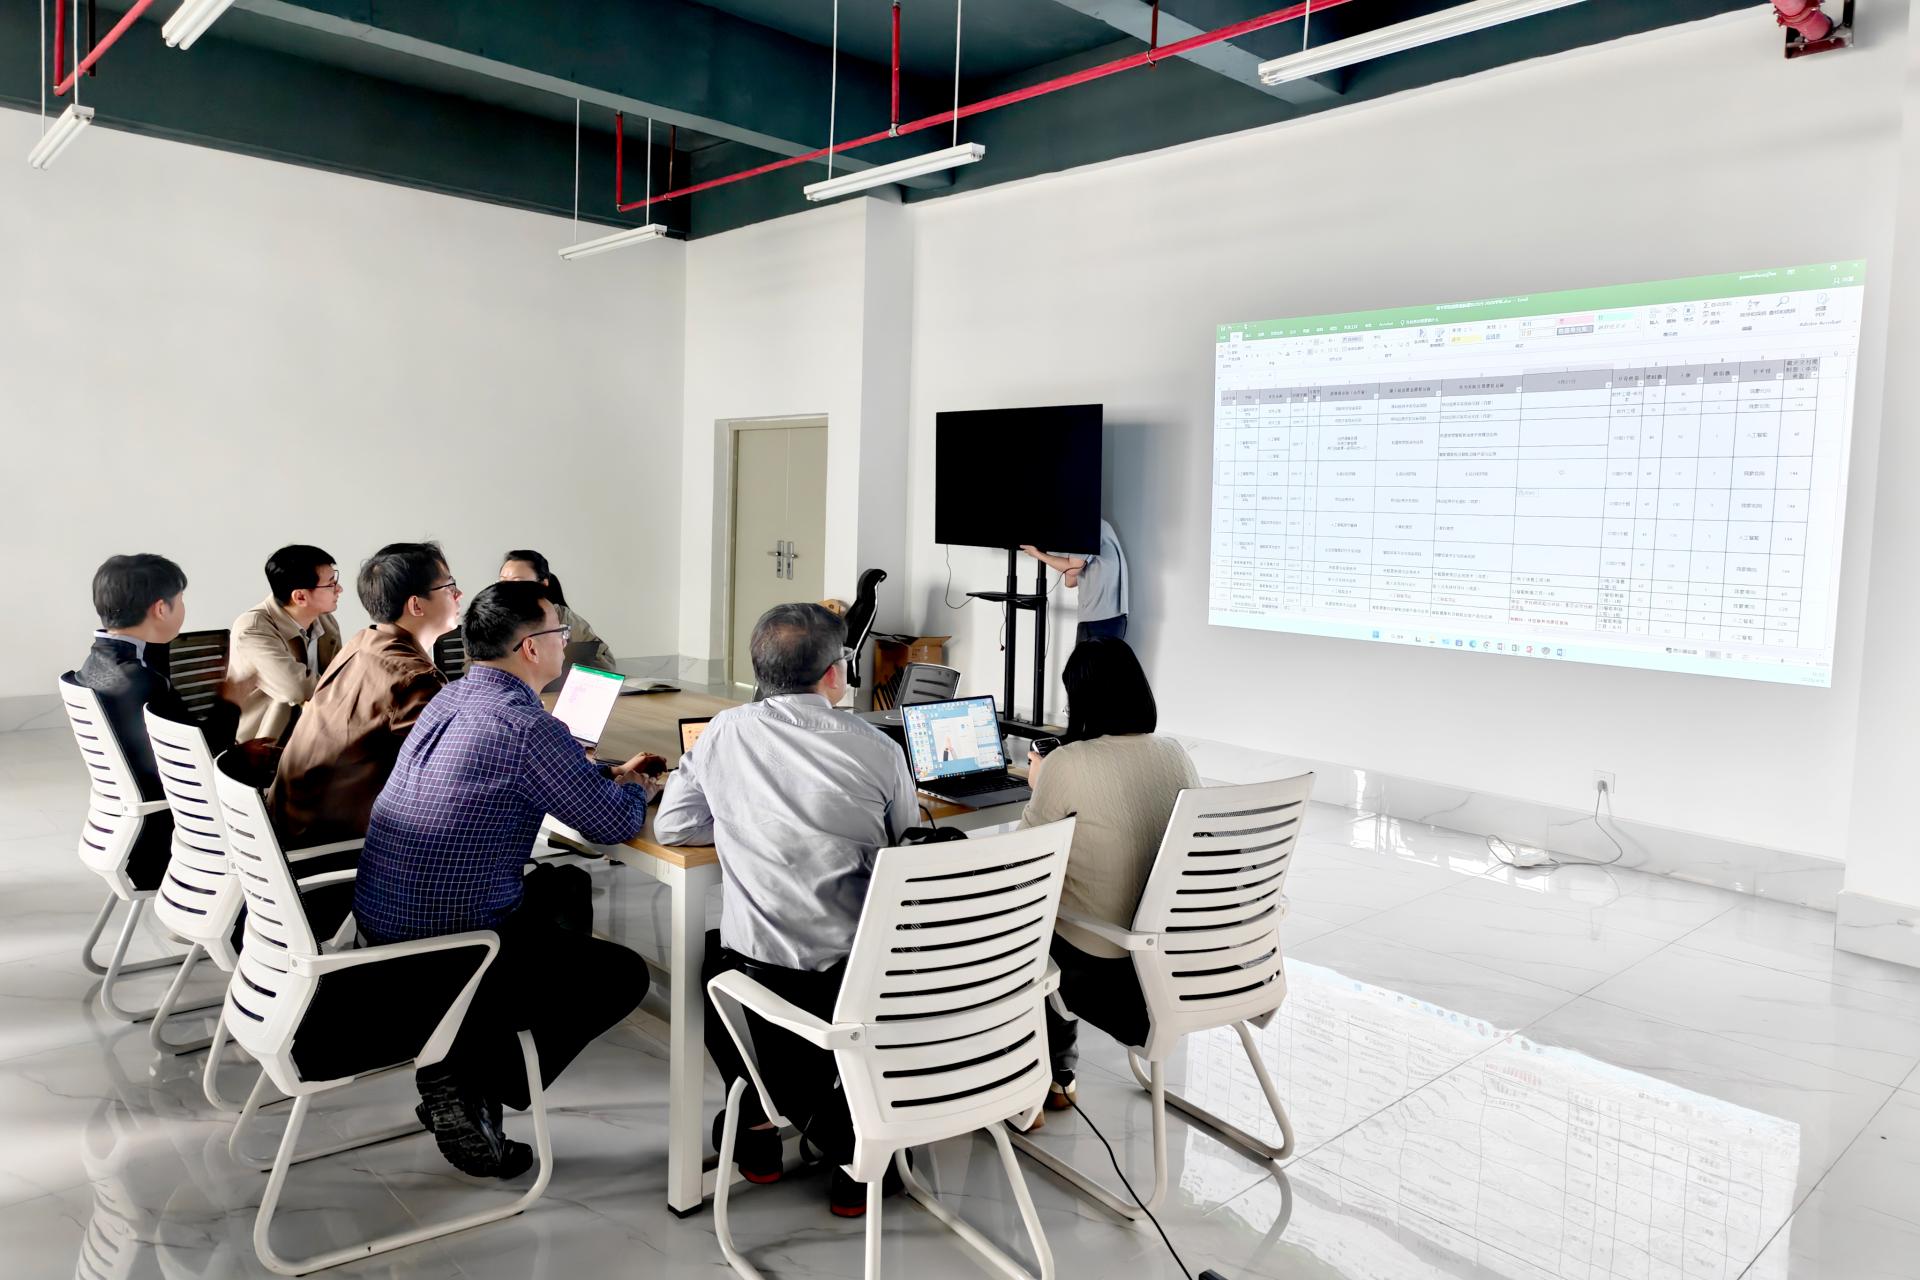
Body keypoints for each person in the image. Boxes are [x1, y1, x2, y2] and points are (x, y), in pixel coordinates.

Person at [353, 580, 663, 1179]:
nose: (565, 642)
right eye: (559, 633)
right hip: (452, 942)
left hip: (384, 918)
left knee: (564, 890)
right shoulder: (528, 728)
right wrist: (638, 788)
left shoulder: (451, 697)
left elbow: (517, 775)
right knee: (622, 975)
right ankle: (467, 1083)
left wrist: (599, 775)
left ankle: (468, 1056)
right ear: (530, 648)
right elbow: (610, 825)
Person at [656, 603, 918, 1217]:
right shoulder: (877, 749)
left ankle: (756, 1121)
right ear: (836, 672)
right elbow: (904, 847)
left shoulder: (724, 732)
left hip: (766, 972)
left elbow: (673, 828)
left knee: (706, 963)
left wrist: (745, 825)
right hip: (863, 976)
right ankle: (848, 1141)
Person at [1015, 637, 1196, 1124]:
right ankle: (1060, 1077)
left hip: (1108, 972)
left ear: (1081, 700)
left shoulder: (1068, 762)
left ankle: (1029, 1084)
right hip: (1180, 965)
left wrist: (1040, 783)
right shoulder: (1175, 754)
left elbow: (1022, 863)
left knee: (1021, 931)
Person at [268, 542, 457, 846]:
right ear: (416, 605)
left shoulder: (362, 644)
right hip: (330, 851)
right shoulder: (415, 679)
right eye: (449, 586)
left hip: (289, 832)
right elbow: (450, 776)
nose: (458, 595)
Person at [73, 555, 241, 889]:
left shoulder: (95, 665)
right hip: (171, 849)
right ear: (161, 609)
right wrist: (232, 700)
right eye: (181, 600)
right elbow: (201, 762)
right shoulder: (143, 682)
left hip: (125, 835)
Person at [227, 545, 344, 743]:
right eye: (331, 584)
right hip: (263, 746)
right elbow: (296, 689)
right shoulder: (252, 629)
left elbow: (340, 675)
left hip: (315, 736)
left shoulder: (325, 621)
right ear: (300, 597)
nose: (339, 589)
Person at [498, 550, 616, 671]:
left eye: (517, 582)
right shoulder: (491, 618)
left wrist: (559, 663)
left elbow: (605, 663)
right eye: (503, 581)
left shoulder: (562, 618)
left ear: (543, 584)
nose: (507, 588)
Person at [1021, 517, 1129, 642]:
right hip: (1100, 616)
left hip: (1102, 618)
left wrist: (1037, 554)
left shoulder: (1087, 525)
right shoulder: (1096, 525)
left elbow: (1072, 569)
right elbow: (1069, 581)